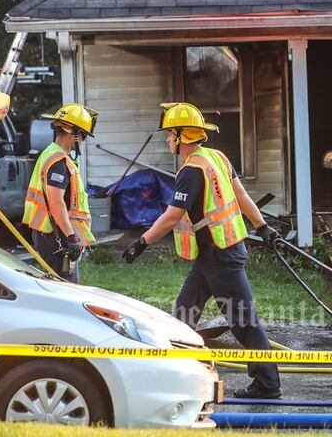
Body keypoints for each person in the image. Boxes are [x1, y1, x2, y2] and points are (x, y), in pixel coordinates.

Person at [121, 102, 282, 399]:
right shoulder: (216, 157)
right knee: (184, 314)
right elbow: (242, 194)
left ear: (182, 136)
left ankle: (267, 384)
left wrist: (142, 242)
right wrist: (261, 226)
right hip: (213, 254)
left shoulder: (192, 170)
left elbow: (171, 215)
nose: (168, 139)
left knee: (244, 321)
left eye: (170, 134)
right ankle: (177, 374)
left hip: (220, 255)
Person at [22, 103, 97, 283]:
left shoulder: (50, 153)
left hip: (51, 232)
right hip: (56, 234)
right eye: (84, 136)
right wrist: (71, 237)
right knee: (67, 290)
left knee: (59, 287)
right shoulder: (58, 161)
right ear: (73, 135)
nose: (84, 141)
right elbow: (56, 202)